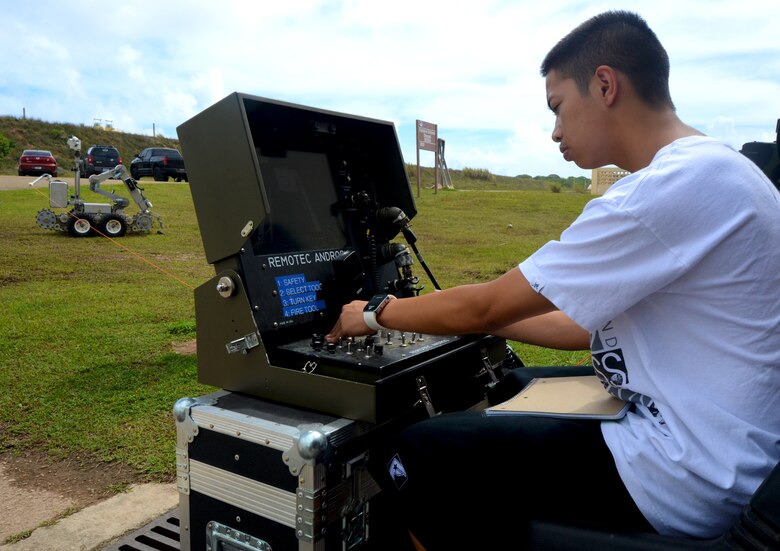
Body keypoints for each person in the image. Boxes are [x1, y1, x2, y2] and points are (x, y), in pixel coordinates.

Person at [326, 10, 780, 550]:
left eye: (559, 107)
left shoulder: (666, 190)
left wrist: (375, 314)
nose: (555, 131)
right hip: (726, 453)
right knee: (515, 395)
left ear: (605, 85)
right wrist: (497, 328)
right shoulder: (720, 170)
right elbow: (579, 327)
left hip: (686, 474)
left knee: (418, 452)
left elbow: (485, 306)